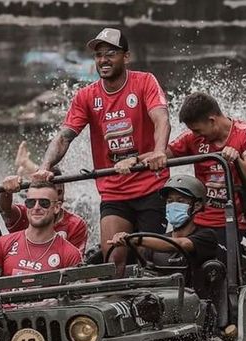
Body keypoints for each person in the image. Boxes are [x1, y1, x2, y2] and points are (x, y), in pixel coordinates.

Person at [32, 27, 172, 277]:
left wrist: (160, 151)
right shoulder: (86, 96)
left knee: (151, 260)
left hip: (151, 186)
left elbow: (161, 118)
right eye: (98, 55)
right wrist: (45, 167)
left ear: (126, 57)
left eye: (110, 53)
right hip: (114, 191)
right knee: (113, 259)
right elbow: (64, 136)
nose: (103, 60)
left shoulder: (145, 82)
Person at [157, 91, 246, 249]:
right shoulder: (193, 137)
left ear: (212, 120)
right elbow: (159, 156)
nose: (195, 135)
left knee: (200, 258)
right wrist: (137, 160)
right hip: (197, 219)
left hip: (231, 222)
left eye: (198, 130)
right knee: (164, 251)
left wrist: (236, 160)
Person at [107, 174, 218, 276]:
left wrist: (136, 239)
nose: (174, 205)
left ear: (197, 206)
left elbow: (181, 244)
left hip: (194, 295)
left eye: (180, 201)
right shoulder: (155, 245)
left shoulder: (207, 236)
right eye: (169, 201)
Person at [0, 142, 89, 254]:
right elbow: (4, 210)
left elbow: (75, 266)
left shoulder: (75, 224)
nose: (36, 208)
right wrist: (6, 190)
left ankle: (26, 163)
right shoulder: (27, 214)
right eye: (33, 202)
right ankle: (25, 164)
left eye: (60, 192)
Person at [0, 181, 83, 278]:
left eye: (44, 203)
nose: (36, 207)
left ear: (56, 207)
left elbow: (77, 291)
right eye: (31, 202)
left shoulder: (71, 254)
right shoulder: (3, 243)